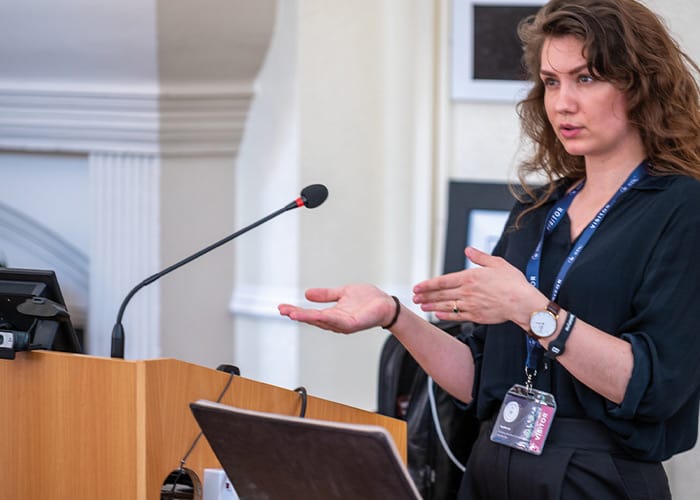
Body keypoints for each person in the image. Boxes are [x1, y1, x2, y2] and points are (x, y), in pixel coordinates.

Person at [279, 0, 700, 498]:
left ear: (640, 85)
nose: (563, 102)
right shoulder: (538, 211)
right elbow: (478, 382)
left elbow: (650, 387)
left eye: (586, 78)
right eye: (551, 81)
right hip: (491, 466)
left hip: (596, 477)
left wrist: (532, 311)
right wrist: (395, 316)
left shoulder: (681, 206)